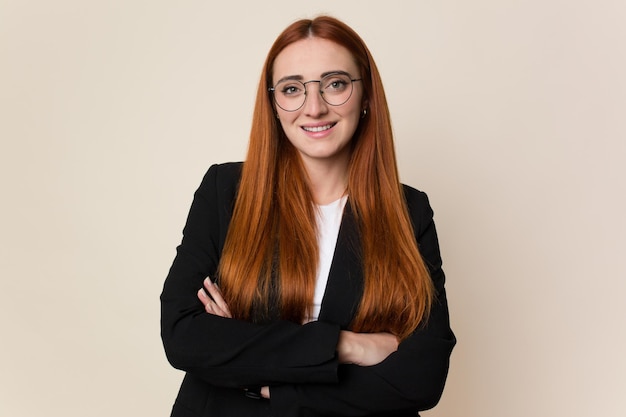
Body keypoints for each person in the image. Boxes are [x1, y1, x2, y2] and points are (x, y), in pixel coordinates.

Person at [160, 15, 455, 417]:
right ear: (274, 104)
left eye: (335, 84)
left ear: (365, 94)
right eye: (292, 89)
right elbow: (184, 336)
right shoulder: (225, 190)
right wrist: (349, 346)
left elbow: (422, 376)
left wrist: (257, 369)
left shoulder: (410, 211)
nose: (314, 108)